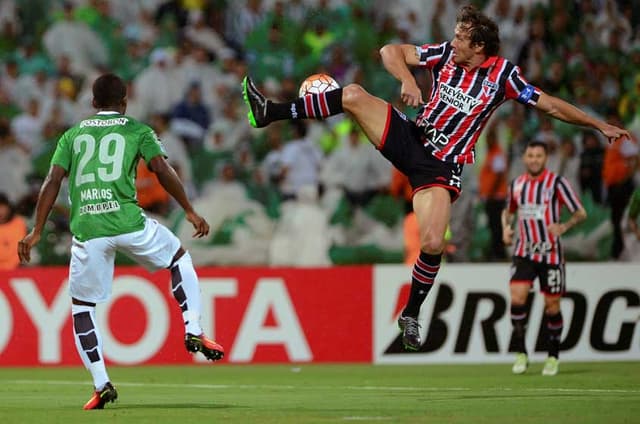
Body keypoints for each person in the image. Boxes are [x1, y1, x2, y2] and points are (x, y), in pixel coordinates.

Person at [241, 4, 630, 351]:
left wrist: (597, 124)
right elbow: (389, 52)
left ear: (480, 47)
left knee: (432, 242)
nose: (454, 40)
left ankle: (411, 313)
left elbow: (550, 106)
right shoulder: (444, 54)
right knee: (354, 94)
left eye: (462, 37)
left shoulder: (503, 76)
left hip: (442, 169)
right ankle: (269, 112)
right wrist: (407, 80)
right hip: (413, 139)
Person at [17, 74, 224, 410]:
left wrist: (36, 230)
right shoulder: (138, 130)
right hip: (129, 221)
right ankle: (193, 327)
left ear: (94, 103)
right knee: (179, 259)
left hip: (88, 230)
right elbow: (161, 168)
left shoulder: (72, 135)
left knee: (83, 308)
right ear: (124, 102)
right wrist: (188, 209)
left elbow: (53, 180)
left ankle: (102, 385)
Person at [501, 140, 586, 376]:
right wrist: (505, 229)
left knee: (552, 306)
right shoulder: (517, 185)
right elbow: (507, 212)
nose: (534, 159)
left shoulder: (557, 183)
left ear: (545, 158)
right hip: (524, 252)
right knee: (517, 299)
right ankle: (521, 352)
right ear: (525, 158)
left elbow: (580, 212)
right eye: (530, 155)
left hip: (550, 254)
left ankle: (553, 356)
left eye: (539, 155)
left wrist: (565, 226)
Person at [0, 193, 27, 270]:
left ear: (8, 207)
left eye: (2, 206)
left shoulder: (18, 223)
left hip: (16, 269)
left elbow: (18, 250)